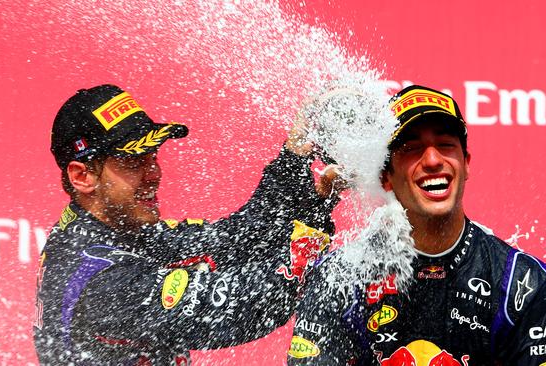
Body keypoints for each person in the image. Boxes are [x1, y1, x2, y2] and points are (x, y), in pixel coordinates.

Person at [33, 84, 341, 365]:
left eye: (153, 157)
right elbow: (251, 305)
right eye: (133, 162)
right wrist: (312, 227)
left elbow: (239, 236)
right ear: (82, 177)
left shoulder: (117, 231)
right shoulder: (102, 281)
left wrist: (297, 152)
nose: (154, 175)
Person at [287, 85, 546, 365]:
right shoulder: (339, 278)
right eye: (412, 148)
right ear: (385, 176)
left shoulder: (522, 281)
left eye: (445, 144)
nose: (432, 160)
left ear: (466, 164)